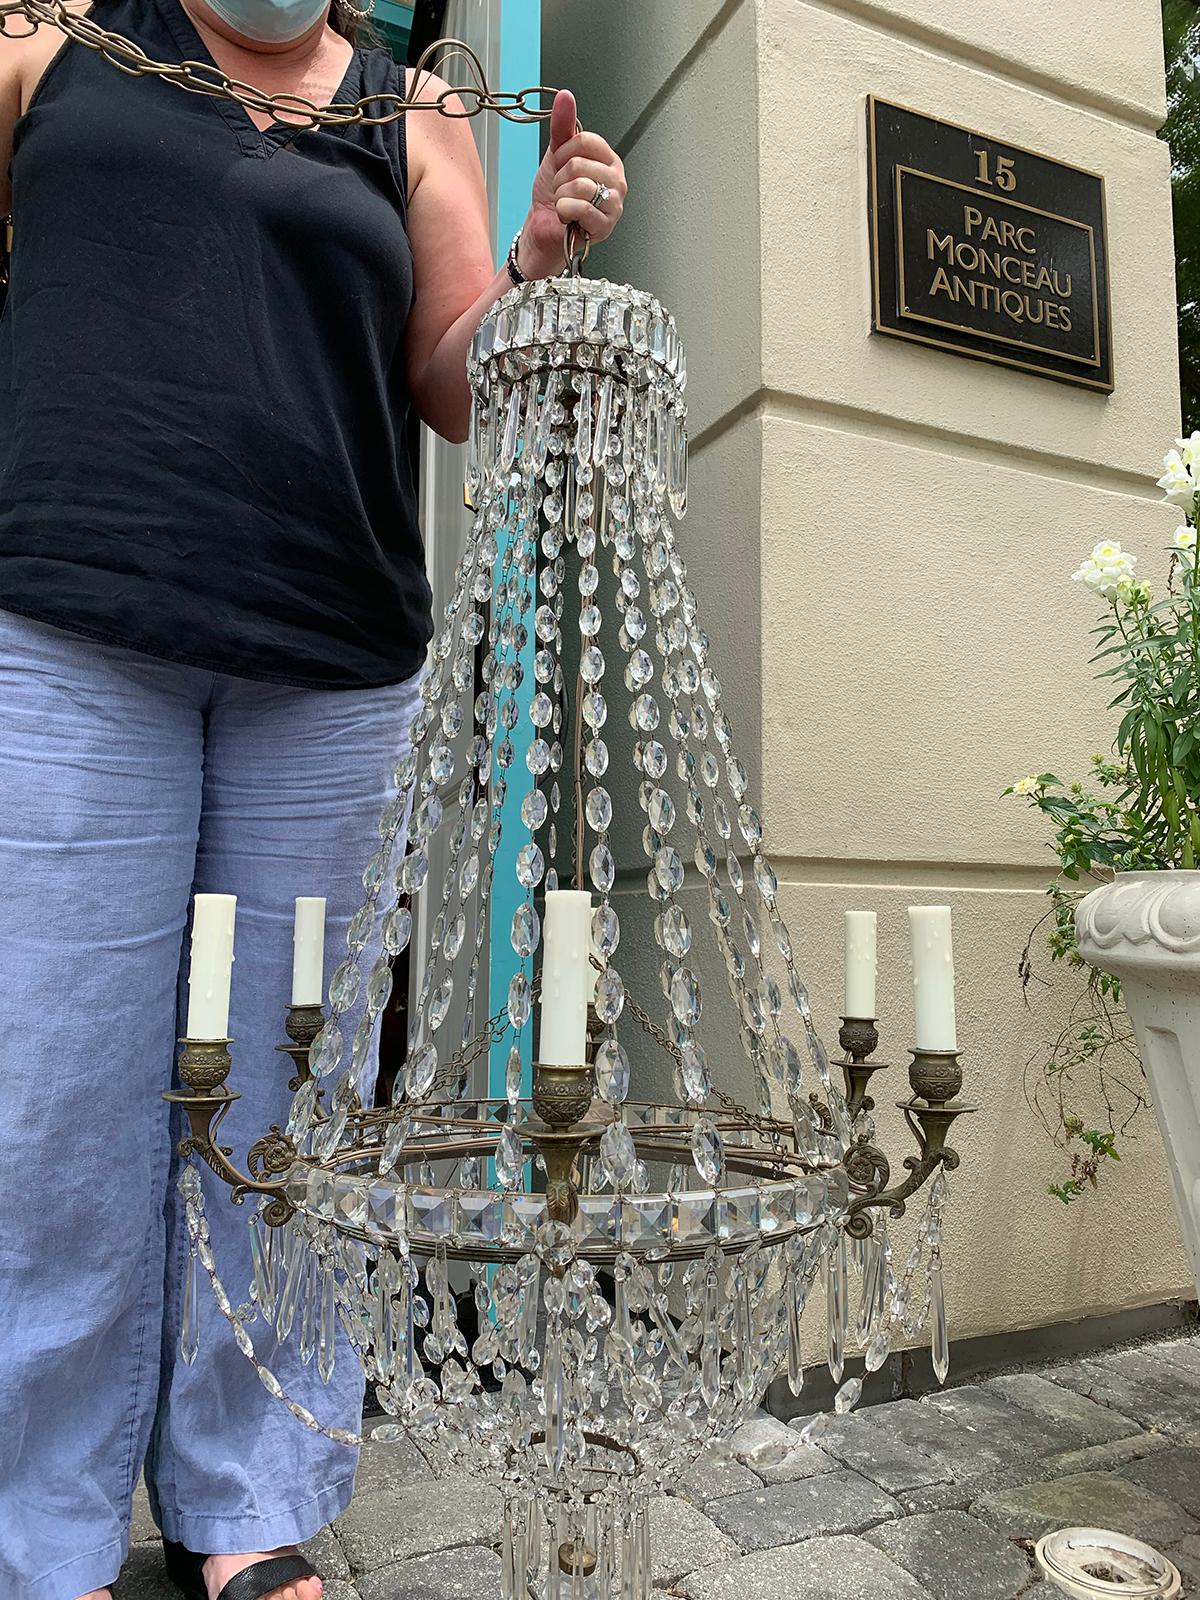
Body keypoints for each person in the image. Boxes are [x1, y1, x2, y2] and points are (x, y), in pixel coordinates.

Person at [0, 0, 627, 1594]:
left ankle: (252, 1498)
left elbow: (456, 375)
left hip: (331, 663)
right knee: (53, 1102)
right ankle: (39, 1531)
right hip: (70, 623)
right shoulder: (50, 42)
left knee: (296, 1107)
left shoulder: (417, 113)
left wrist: (539, 274)